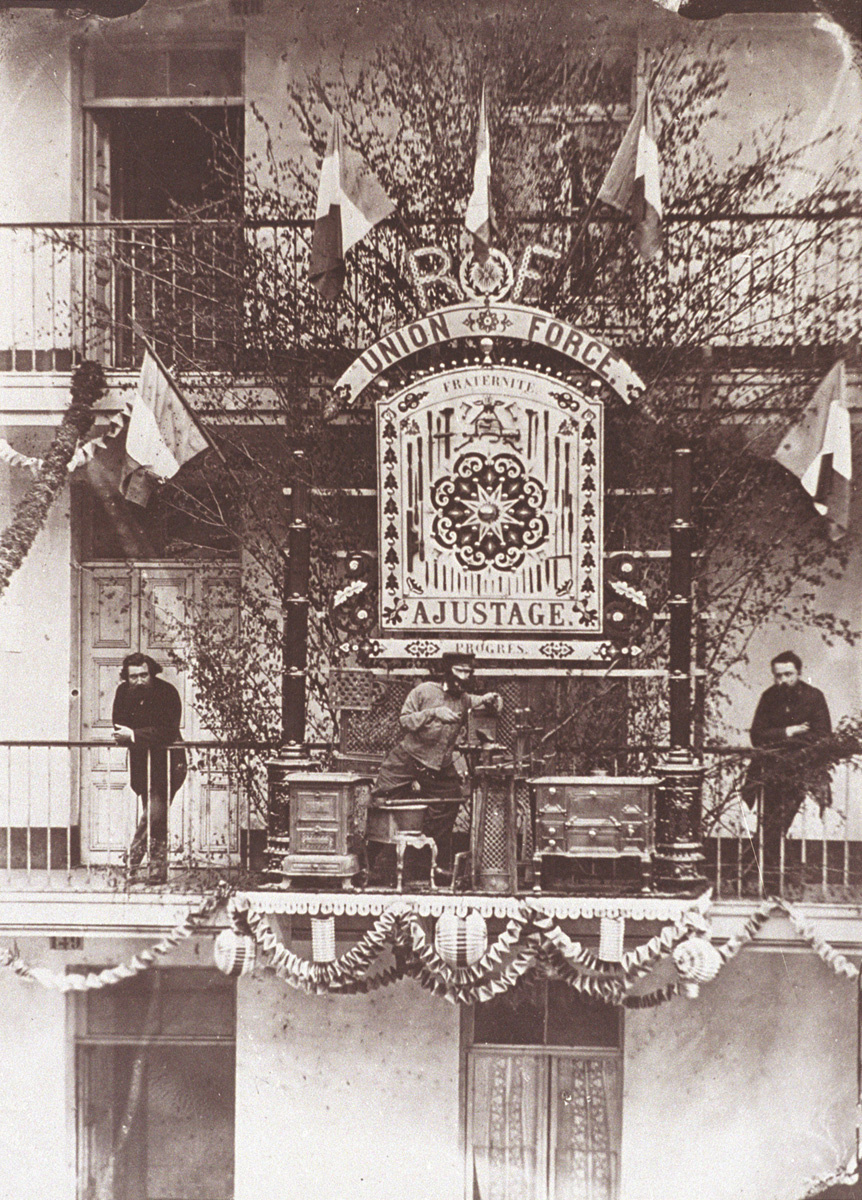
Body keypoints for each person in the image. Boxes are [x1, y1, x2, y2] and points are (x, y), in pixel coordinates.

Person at [372, 653, 502, 872]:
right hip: (407, 758)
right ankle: (371, 863)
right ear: (447, 671)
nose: (463, 676)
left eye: (467, 672)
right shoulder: (423, 691)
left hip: (439, 765)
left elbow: (482, 700)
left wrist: (492, 697)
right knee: (382, 800)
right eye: (458, 671)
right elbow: (405, 721)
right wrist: (433, 713)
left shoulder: (464, 699)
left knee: (451, 800)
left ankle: (432, 862)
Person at [744, 650, 832, 881]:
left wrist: (784, 742)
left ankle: (763, 871)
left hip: (801, 770)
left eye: (788, 674)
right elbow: (757, 735)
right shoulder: (768, 697)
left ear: (799, 673)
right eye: (778, 675)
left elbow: (823, 736)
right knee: (769, 821)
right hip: (769, 770)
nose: (782, 680)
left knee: (785, 820)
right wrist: (789, 732)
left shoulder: (814, 697)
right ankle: (765, 873)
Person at [112, 652, 187, 876]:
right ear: (127, 677)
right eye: (133, 676)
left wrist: (135, 734)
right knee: (156, 814)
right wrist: (140, 734)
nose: (139, 681)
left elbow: (168, 730)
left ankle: (134, 863)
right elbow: (119, 726)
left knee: (154, 812)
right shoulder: (123, 692)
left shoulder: (167, 692)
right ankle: (156, 868)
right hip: (142, 761)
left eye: (144, 675)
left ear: (151, 672)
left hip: (169, 763)